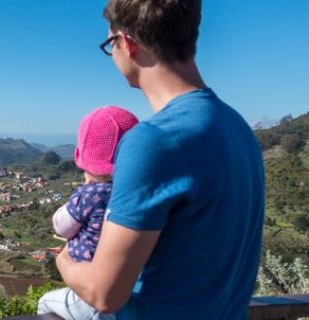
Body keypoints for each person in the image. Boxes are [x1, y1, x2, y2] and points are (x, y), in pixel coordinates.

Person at [41, 1, 265, 319]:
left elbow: (105, 294)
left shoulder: (154, 141)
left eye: (109, 45)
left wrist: (63, 261)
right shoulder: (237, 127)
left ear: (128, 44)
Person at [39, 106, 138, 319]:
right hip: (133, 286)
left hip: (91, 284)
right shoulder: (140, 192)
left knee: (45, 302)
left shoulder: (89, 194)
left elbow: (62, 227)